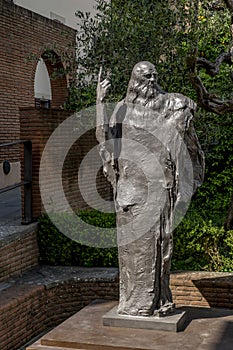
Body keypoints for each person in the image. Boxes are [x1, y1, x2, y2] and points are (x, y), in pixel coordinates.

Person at [96, 61, 204, 317]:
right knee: (131, 252)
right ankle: (133, 304)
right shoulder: (122, 109)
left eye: (154, 76)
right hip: (129, 190)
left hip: (158, 187)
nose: (151, 81)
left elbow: (184, 139)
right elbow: (105, 141)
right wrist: (100, 103)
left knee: (158, 247)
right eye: (145, 77)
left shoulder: (171, 104)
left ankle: (154, 302)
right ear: (134, 80)